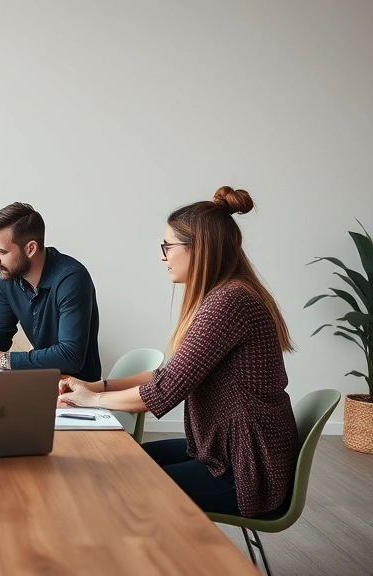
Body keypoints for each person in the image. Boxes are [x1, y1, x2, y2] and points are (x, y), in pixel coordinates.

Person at [58, 187, 298, 518]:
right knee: (110, 465)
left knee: (109, 486)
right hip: (225, 455)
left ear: (199, 249)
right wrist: (97, 387)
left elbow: (164, 391)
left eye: (167, 246)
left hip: (244, 472)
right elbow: (169, 375)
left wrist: (91, 401)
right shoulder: (226, 295)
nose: (163, 255)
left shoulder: (229, 301)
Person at [0, 202, 101, 379]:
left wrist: (2, 360)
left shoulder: (72, 279)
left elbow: (70, 356)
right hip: (37, 381)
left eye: (1, 252)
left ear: (30, 249)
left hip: (78, 390)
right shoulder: (8, 276)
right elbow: (0, 335)